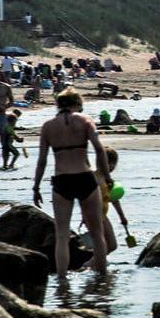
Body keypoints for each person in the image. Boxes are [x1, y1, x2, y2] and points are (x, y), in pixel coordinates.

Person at [32, 91, 111, 279]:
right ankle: (103, 277)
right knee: (97, 233)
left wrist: (36, 186)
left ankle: (61, 281)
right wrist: (107, 176)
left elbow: (42, 160)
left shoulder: (47, 126)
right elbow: (99, 150)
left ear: (58, 104)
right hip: (84, 177)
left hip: (62, 180)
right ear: (77, 103)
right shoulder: (85, 121)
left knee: (61, 235)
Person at [98, 147, 132, 253]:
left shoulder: (109, 181)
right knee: (105, 244)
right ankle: (90, 263)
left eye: (113, 163)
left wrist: (122, 217)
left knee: (111, 245)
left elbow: (114, 199)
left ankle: (92, 262)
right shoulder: (94, 178)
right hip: (94, 216)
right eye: (108, 163)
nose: (111, 166)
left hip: (103, 216)